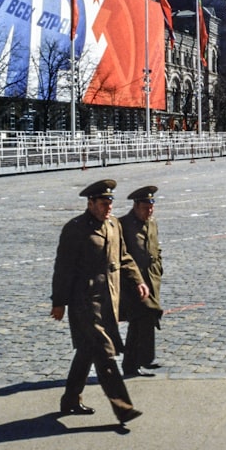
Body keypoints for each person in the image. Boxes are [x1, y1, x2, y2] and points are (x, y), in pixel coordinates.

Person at [50, 179, 149, 424]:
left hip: (109, 301)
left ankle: (70, 399)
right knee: (105, 354)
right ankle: (123, 407)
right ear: (90, 203)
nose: (109, 208)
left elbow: (123, 256)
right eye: (104, 203)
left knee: (86, 351)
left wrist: (137, 280)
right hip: (84, 303)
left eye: (110, 203)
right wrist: (59, 302)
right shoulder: (75, 229)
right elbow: (63, 269)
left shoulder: (113, 225)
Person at [119, 185, 164, 377]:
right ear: (136, 206)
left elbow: (155, 247)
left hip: (151, 279)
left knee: (147, 318)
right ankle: (132, 364)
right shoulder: (123, 225)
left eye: (151, 207)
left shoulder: (151, 222)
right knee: (140, 319)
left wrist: (159, 267)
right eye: (146, 208)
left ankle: (144, 358)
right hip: (133, 283)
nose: (150, 211)